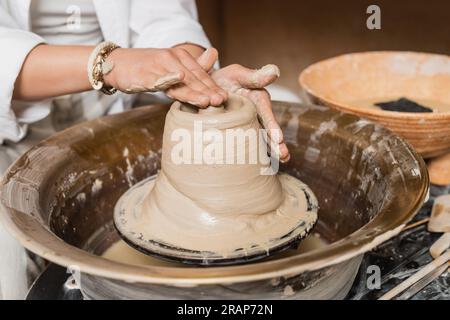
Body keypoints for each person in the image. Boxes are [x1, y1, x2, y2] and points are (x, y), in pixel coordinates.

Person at [0, 0, 290, 299]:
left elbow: (163, 16)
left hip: (119, 107)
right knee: (3, 263)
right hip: (15, 133)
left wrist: (200, 79)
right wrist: (108, 65)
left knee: (280, 100)